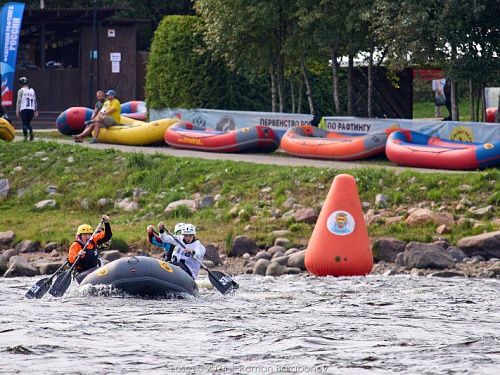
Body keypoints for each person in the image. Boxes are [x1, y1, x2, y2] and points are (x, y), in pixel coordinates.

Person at [68, 215, 112, 283]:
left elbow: (107, 236)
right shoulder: (75, 245)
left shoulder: (93, 241)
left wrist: (106, 223)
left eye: (89, 234)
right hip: (81, 274)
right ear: (80, 236)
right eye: (85, 235)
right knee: (99, 270)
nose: (87, 237)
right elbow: (71, 262)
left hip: (94, 271)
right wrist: (78, 256)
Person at [16, 77, 38, 141]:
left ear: (20, 84)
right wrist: (36, 110)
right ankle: (31, 132)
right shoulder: (32, 90)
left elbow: (18, 101)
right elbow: (35, 101)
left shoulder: (21, 91)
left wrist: (17, 110)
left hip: (24, 109)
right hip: (31, 109)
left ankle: (25, 137)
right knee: (28, 123)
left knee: (25, 123)